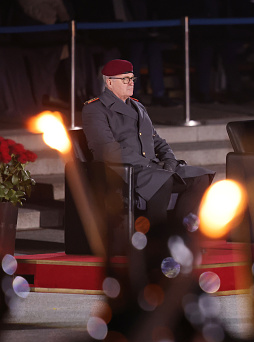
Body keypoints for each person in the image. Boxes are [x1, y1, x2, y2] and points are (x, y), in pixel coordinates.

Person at [82, 59, 215, 251]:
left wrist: (169, 159)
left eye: (132, 78)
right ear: (109, 82)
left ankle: (178, 236)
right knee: (162, 180)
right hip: (124, 170)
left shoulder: (138, 106)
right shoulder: (95, 109)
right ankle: (156, 244)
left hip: (151, 168)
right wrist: (149, 164)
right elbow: (107, 149)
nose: (131, 82)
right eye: (125, 79)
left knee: (200, 177)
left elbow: (157, 140)